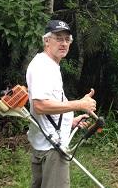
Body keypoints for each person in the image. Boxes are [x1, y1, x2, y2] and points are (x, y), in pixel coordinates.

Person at [26, 20, 97, 188]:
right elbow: (40, 106)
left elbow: (50, 103)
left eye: (67, 39)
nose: (64, 43)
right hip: (52, 149)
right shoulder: (42, 67)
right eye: (58, 38)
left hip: (46, 143)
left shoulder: (50, 65)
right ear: (46, 41)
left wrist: (68, 121)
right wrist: (80, 104)